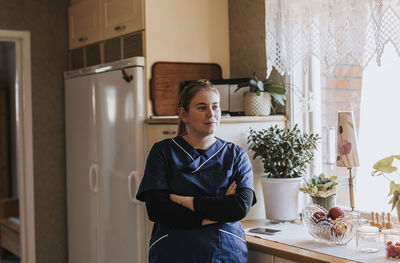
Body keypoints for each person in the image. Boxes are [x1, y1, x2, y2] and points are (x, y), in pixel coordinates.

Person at [136, 79, 257, 263]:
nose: (211, 114)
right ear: (183, 114)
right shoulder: (163, 152)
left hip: (224, 252)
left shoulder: (236, 155)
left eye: (215, 107)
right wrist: (216, 210)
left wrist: (187, 201)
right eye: (202, 107)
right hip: (173, 252)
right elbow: (157, 209)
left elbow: (239, 206)